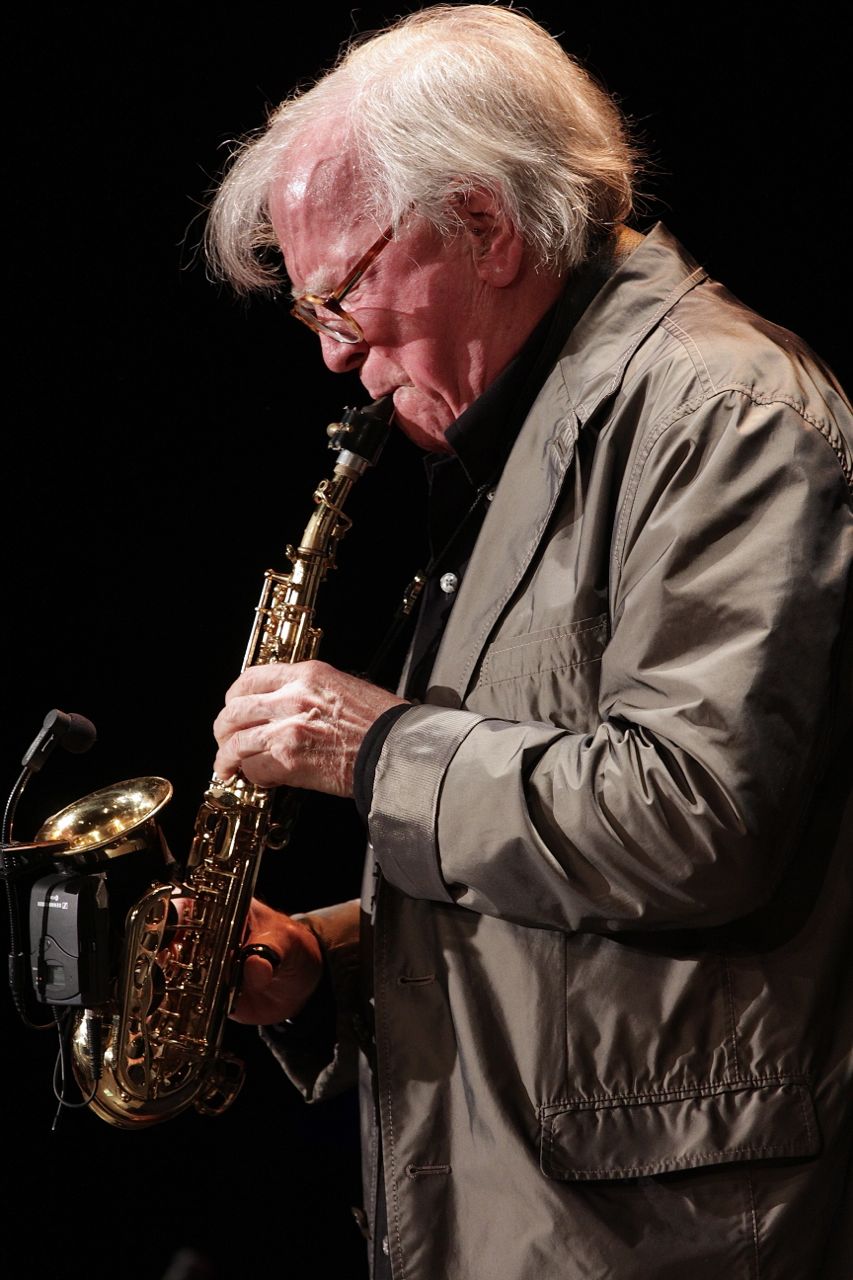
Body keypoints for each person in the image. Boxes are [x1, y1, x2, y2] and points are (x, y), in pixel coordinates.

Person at [203, 6, 852, 1277]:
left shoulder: (725, 415)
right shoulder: (529, 421)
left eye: (341, 292)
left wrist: (373, 748)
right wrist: (327, 957)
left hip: (665, 1239)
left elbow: (694, 821)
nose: (332, 351)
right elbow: (566, 887)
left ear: (485, 227)